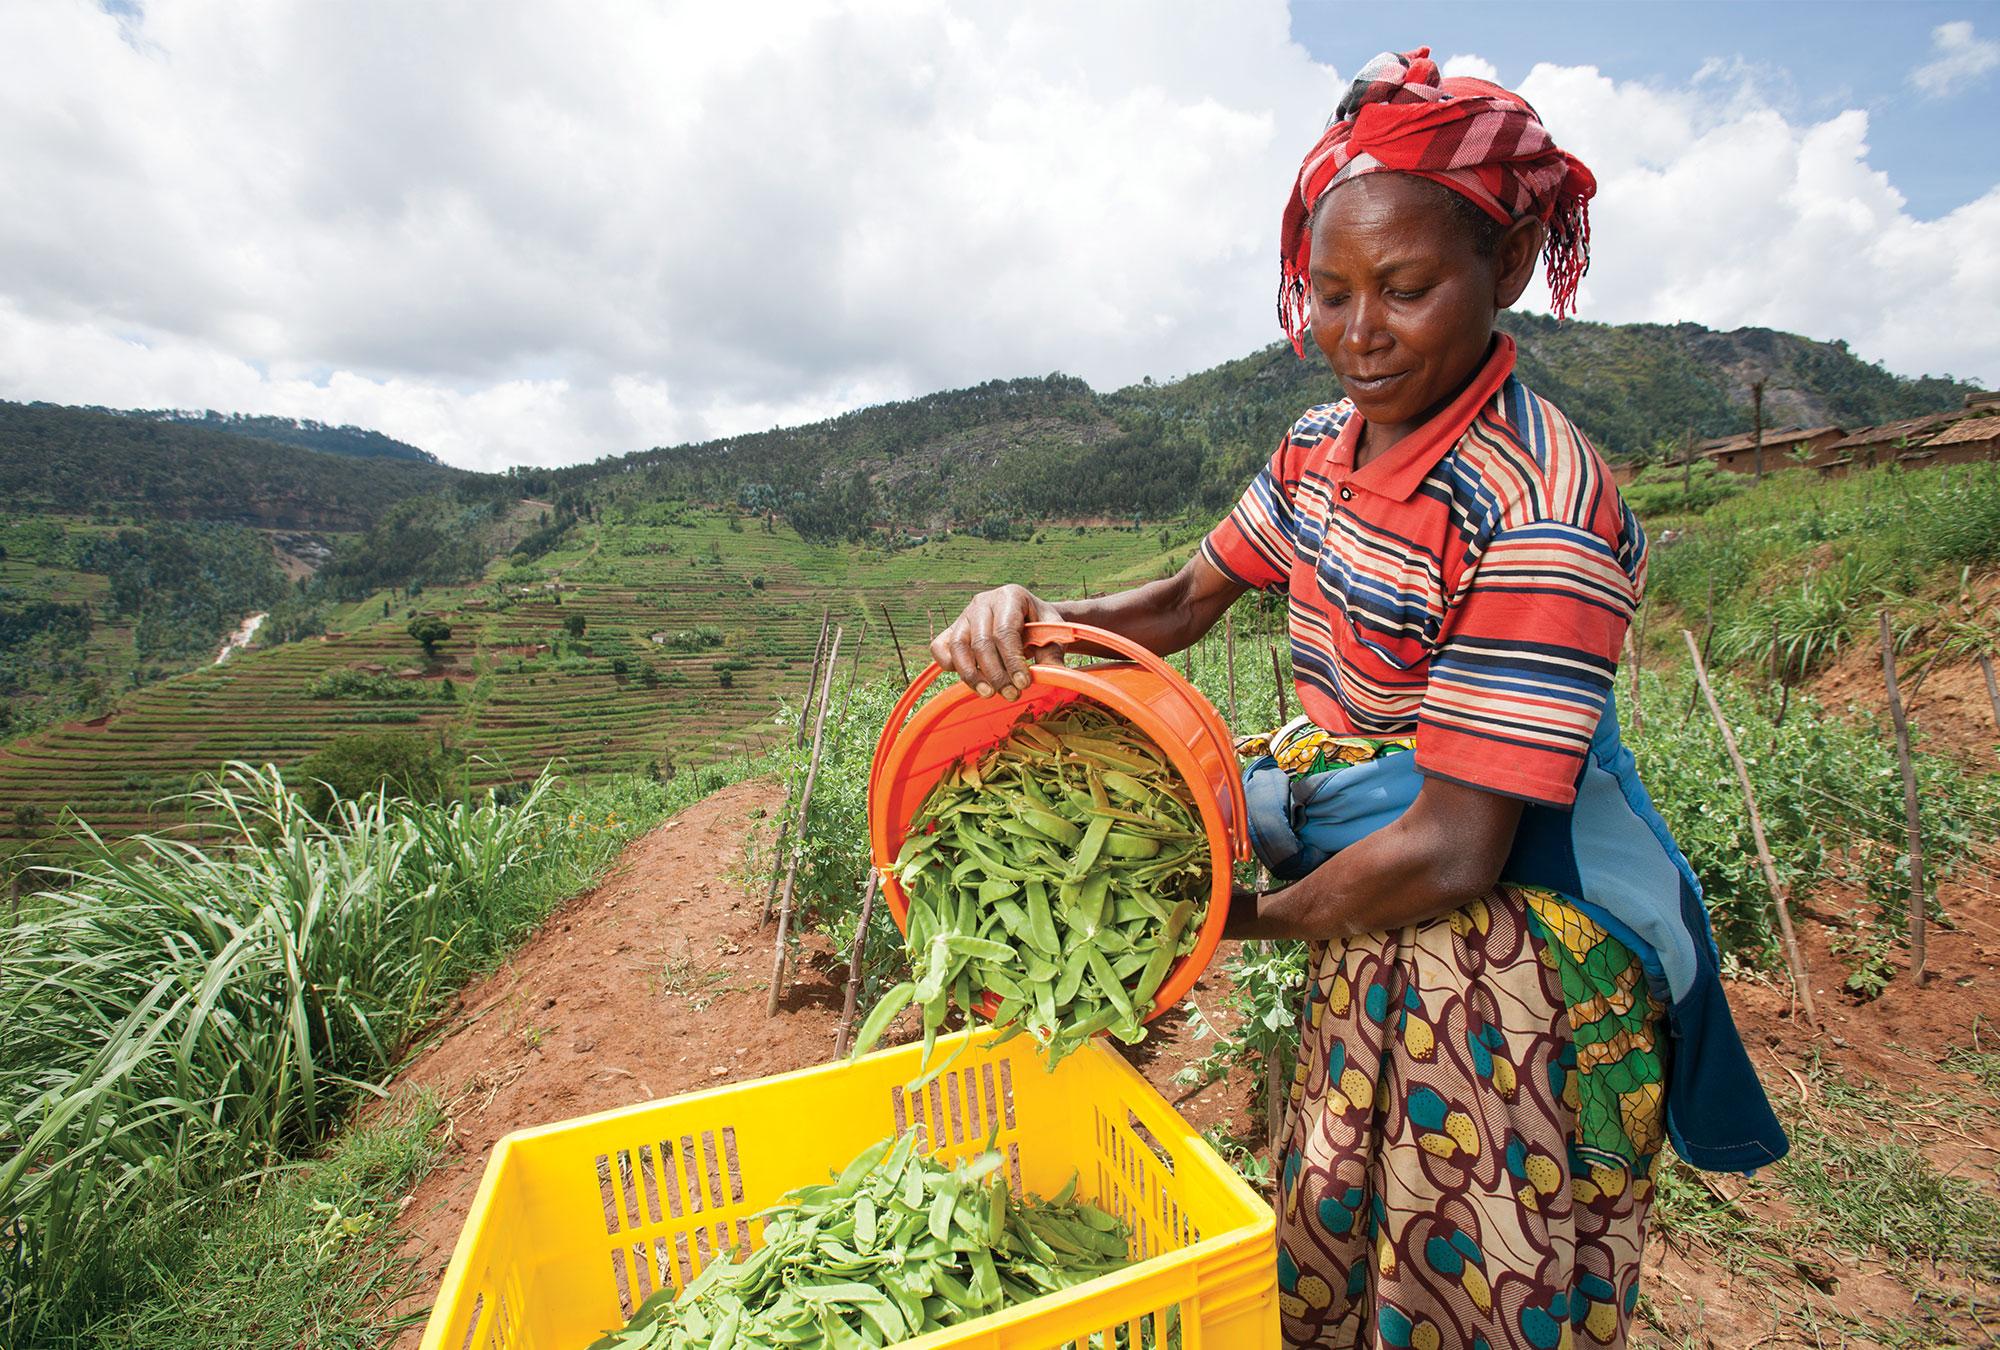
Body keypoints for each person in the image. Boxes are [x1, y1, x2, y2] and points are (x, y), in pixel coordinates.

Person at [928, 47, 1784, 1350]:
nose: (1359, 331)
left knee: (1472, 1276)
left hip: (1516, 958)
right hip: (1364, 901)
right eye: (1329, 294)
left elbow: (1454, 843)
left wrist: (1230, 925)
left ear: (1505, 268)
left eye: (1405, 288)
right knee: (1335, 1215)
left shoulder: (1540, 504)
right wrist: (1031, 619)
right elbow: (1178, 602)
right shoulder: (1320, 449)